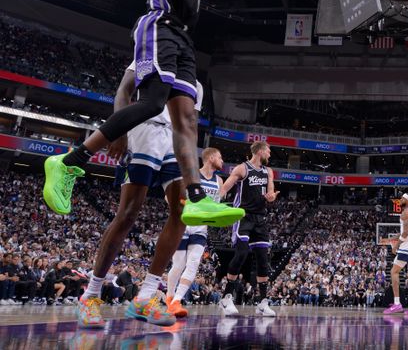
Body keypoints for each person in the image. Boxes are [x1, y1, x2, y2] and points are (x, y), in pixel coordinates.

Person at [42, 0, 287, 227]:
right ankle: (69, 162)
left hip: (183, 41)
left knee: (187, 120)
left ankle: (197, 199)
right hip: (159, 29)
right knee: (153, 103)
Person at [75, 65, 204, 328]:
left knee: (181, 212)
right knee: (128, 214)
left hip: (176, 141)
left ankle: (145, 297)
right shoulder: (152, 57)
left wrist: (193, 167)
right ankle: (90, 295)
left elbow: (190, 124)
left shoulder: (196, 84)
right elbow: (123, 91)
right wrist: (119, 130)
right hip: (141, 130)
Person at [217, 142, 280, 316]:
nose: (270, 153)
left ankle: (262, 302)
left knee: (262, 259)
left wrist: (271, 196)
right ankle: (226, 297)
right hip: (243, 216)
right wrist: (212, 202)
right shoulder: (242, 169)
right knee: (242, 253)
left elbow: (271, 193)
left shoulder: (268, 171)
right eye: (268, 150)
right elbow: (225, 187)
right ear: (260, 151)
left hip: (260, 219)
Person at [166, 147, 225, 318]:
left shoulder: (219, 181)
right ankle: (170, 297)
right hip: (184, 223)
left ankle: (177, 301)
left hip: (201, 227)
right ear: (211, 158)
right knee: (178, 265)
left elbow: (214, 206)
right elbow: (169, 197)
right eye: (220, 157)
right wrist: (185, 206)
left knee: (193, 263)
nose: (222, 161)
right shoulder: (191, 176)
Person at [383, 193, 408, 317]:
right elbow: (406, 232)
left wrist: (396, 245)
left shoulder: (405, 212)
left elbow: (405, 233)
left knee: (394, 272)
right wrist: (390, 239)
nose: (400, 200)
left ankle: (397, 304)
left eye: (402, 198)